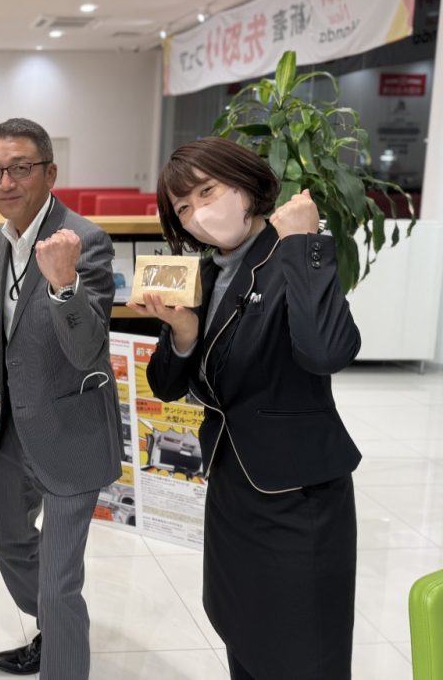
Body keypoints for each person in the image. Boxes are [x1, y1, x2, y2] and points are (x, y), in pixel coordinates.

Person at [130, 136, 361, 680]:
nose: (197, 214)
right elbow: (165, 385)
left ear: (244, 185)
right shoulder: (207, 274)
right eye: (183, 208)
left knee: (303, 651)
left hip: (297, 495)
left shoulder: (293, 254)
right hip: (233, 485)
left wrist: (302, 241)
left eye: (206, 192)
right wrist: (183, 333)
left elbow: (327, 351)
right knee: (245, 636)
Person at [0, 118, 122, 679]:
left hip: (71, 427)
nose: (6, 182)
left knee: (61, 582)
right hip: (16, 422)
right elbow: (6, 327)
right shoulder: (1, 239)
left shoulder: (85, 240)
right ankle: (51, 629)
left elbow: (89, 349)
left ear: (49, 172)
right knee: (8, 539)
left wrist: (64, 283)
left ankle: (62, 655)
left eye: (20, 168)